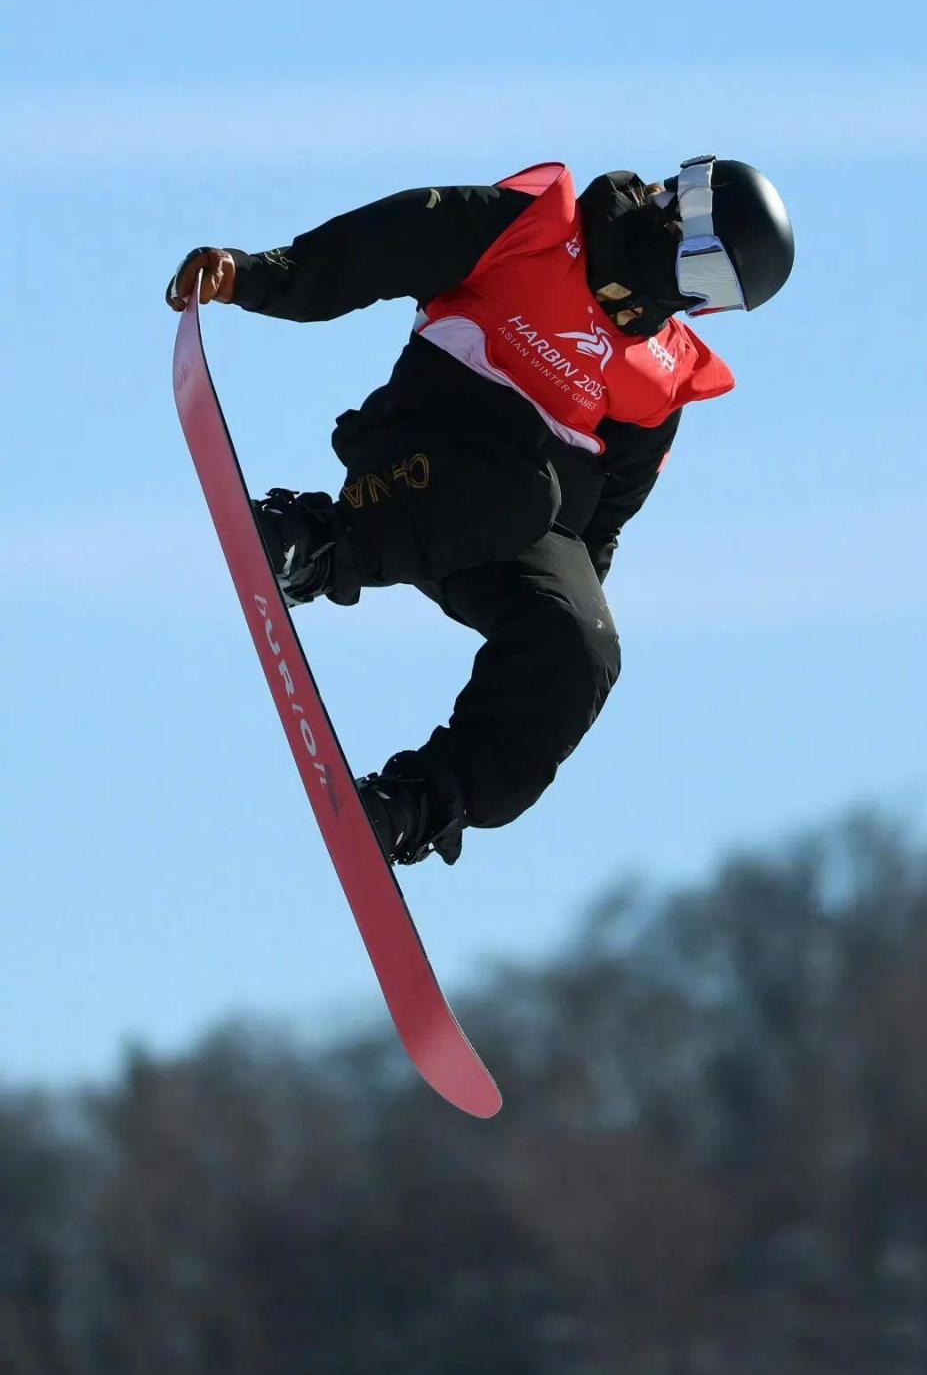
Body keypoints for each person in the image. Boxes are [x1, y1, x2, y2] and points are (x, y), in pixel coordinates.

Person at [166, 156, 794, 867]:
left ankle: (421, 802)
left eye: (715, 299)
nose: (690, 301)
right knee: (523, 492)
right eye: (705, 274)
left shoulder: (660, 378)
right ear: (682, 215)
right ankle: (319, 543)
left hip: (507, 532)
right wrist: (253, 276)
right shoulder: (533, 232)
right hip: (417, 467)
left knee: (583, 647)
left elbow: (603, 526)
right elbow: (376, 248)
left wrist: (562, 617)